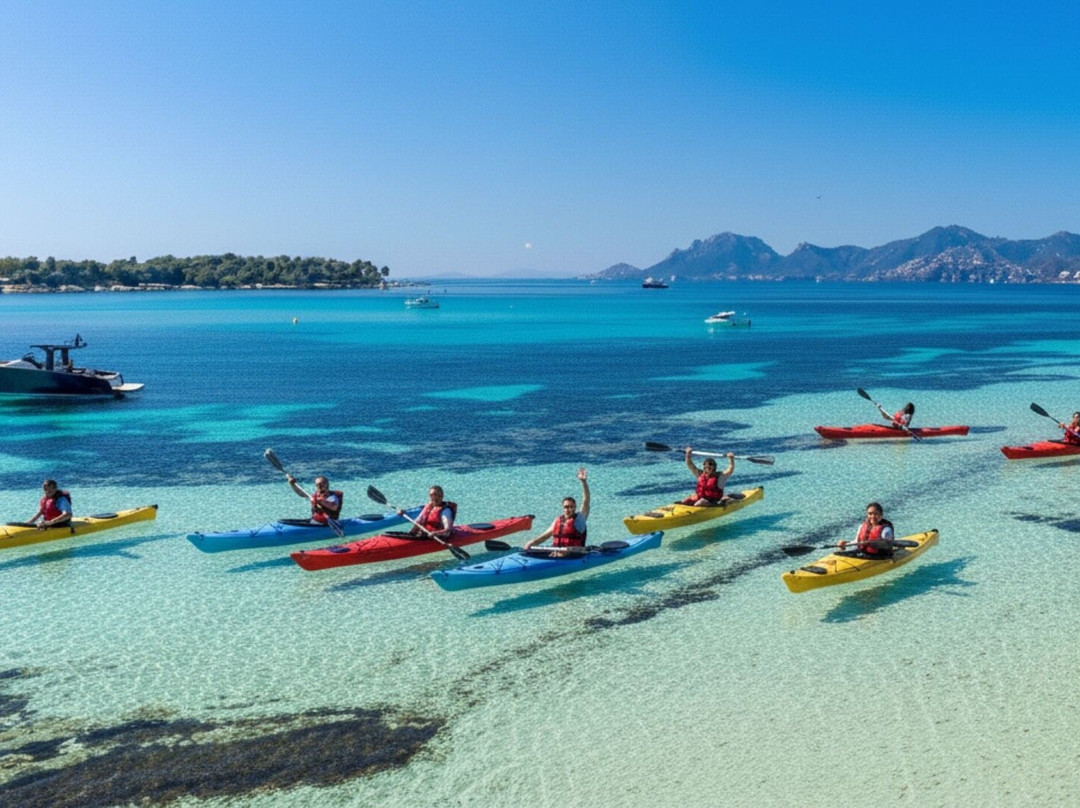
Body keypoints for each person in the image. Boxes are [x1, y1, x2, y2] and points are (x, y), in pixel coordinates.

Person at [523, 468, 590, 556]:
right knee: (529, 548)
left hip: (575, 553)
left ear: (575, 507)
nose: (568, 509)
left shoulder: (579, 520)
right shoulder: (558, 520)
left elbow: (586, 501)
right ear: (563, 508)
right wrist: (532, 543)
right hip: (557, 551)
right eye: (566, 507)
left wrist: (584, 482)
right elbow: (545, 536)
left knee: (564, 551)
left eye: (571, 507)